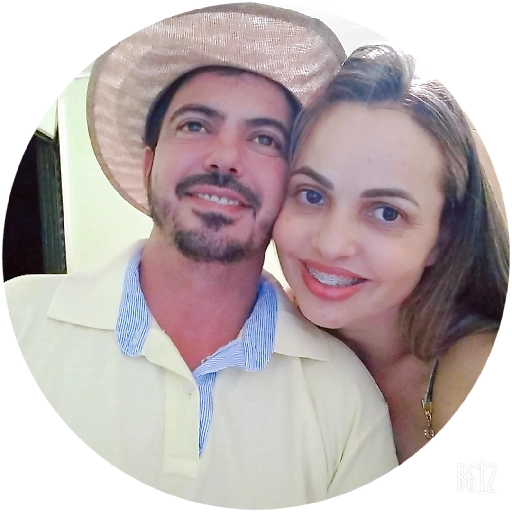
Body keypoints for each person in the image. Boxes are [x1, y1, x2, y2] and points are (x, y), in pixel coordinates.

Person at [4, 5, 398, 508]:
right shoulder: (18, 320)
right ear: (149, 165)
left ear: (292, 184)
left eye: (264, 139)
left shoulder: (346, 397)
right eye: (195, 126)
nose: (225, 158)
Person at [273, 43, 509, 463]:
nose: (331, 244)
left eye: (386, 212)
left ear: (442, 238)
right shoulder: (270, 333)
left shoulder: (479, 372)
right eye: (311, 195)